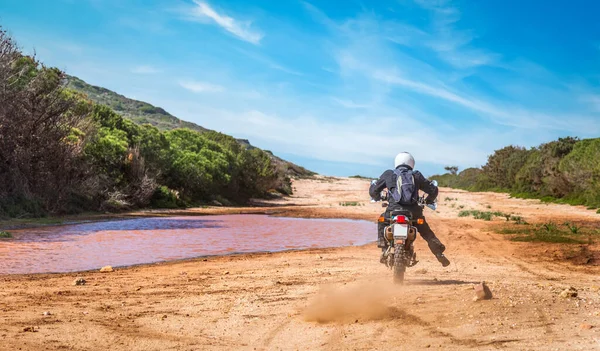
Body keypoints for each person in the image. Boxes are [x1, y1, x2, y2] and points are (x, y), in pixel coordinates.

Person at [369, 152, 450, 267]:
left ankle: (383, 247)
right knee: (426, 232)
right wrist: (428, 201)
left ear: (396, 162)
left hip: (393, 211)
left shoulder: (389, 174)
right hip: (413, 212)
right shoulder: (416, 175)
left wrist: (377, 197)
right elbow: (433, 190)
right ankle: (438, 254)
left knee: (382, 220)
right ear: (412, 163)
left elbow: (373, 191)